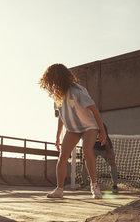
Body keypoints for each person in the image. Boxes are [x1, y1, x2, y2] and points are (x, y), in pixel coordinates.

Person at [40, 63, 106, 199]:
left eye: (53, 81)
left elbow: (94, 110)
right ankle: (59, 189)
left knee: (87, 150)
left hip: (89, 126)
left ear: (59, 79)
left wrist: (102, 130)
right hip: (73, 129)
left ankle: (94, 186)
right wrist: (57, 137)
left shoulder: (77, 91)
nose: (51, 85)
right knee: (63, 155)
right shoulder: (57, 96)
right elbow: (61, 117)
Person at [80, 123, 119, 193]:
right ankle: (84, 182)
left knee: (112, 163)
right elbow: (85, 139)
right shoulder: (85, 126)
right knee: (85, 161)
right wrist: (85, 151)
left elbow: (105, 139)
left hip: (105, 147)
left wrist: (109, 153)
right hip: (93, 148)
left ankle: (115, 185)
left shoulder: (101, 125)